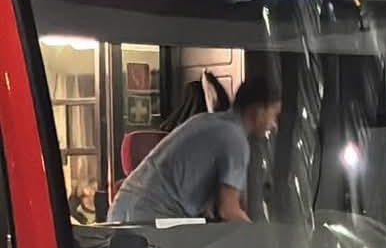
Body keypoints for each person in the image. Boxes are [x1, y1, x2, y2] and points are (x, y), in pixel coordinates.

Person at [108, 76, 283, 226]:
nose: (274, 125)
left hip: (122, 211)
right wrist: (259, 238)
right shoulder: (235, 140)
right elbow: (228, 210)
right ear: (258, 110)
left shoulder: (206, 121)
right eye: (274, 115)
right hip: (149, 218)